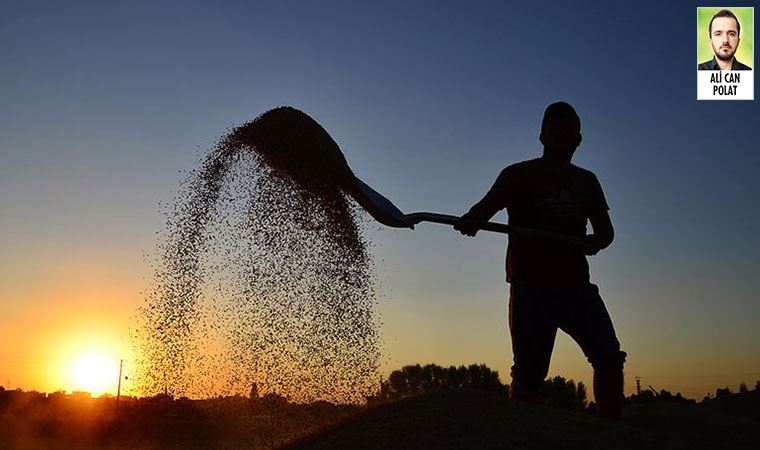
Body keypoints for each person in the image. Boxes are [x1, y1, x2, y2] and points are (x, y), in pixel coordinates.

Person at [454, 102, 626, 419]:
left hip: (576, 286)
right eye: (555, 128)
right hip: (531, 288)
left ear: (579, 139)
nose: (563, 134)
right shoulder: (517, 175)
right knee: (529, 375)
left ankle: (611, 431)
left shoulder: (587, 181)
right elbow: (484, 210)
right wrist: (471, 221)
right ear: (542, 136)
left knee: (608, 356)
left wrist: (595, 242)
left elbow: (605, 232)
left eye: (569, 129)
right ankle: (523, 434)